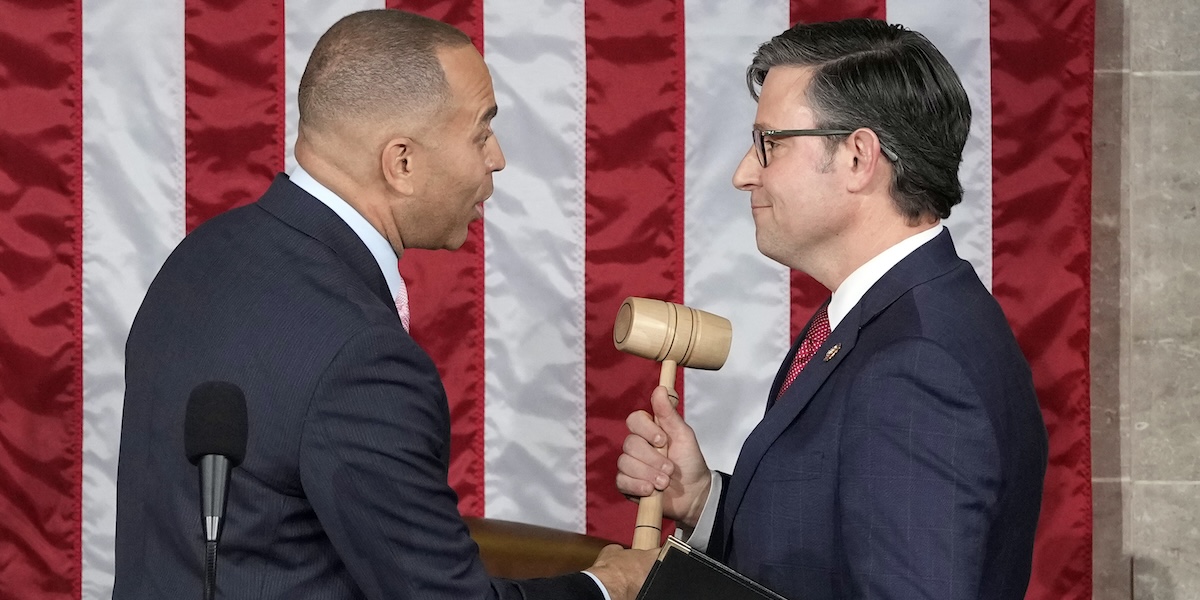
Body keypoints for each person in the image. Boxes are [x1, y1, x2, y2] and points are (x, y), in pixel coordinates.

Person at [113, 9, 654, 600]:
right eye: (480, 131)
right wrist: (608, 587)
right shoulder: (360, 357)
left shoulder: (199, 258)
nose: (496, 157)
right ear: (401, 163)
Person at [616, 19, 1048, 600]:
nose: (745, 173)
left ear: (858, 157)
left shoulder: (916, 363)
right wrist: (702, 501)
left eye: (770, 143)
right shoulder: (876, 319)